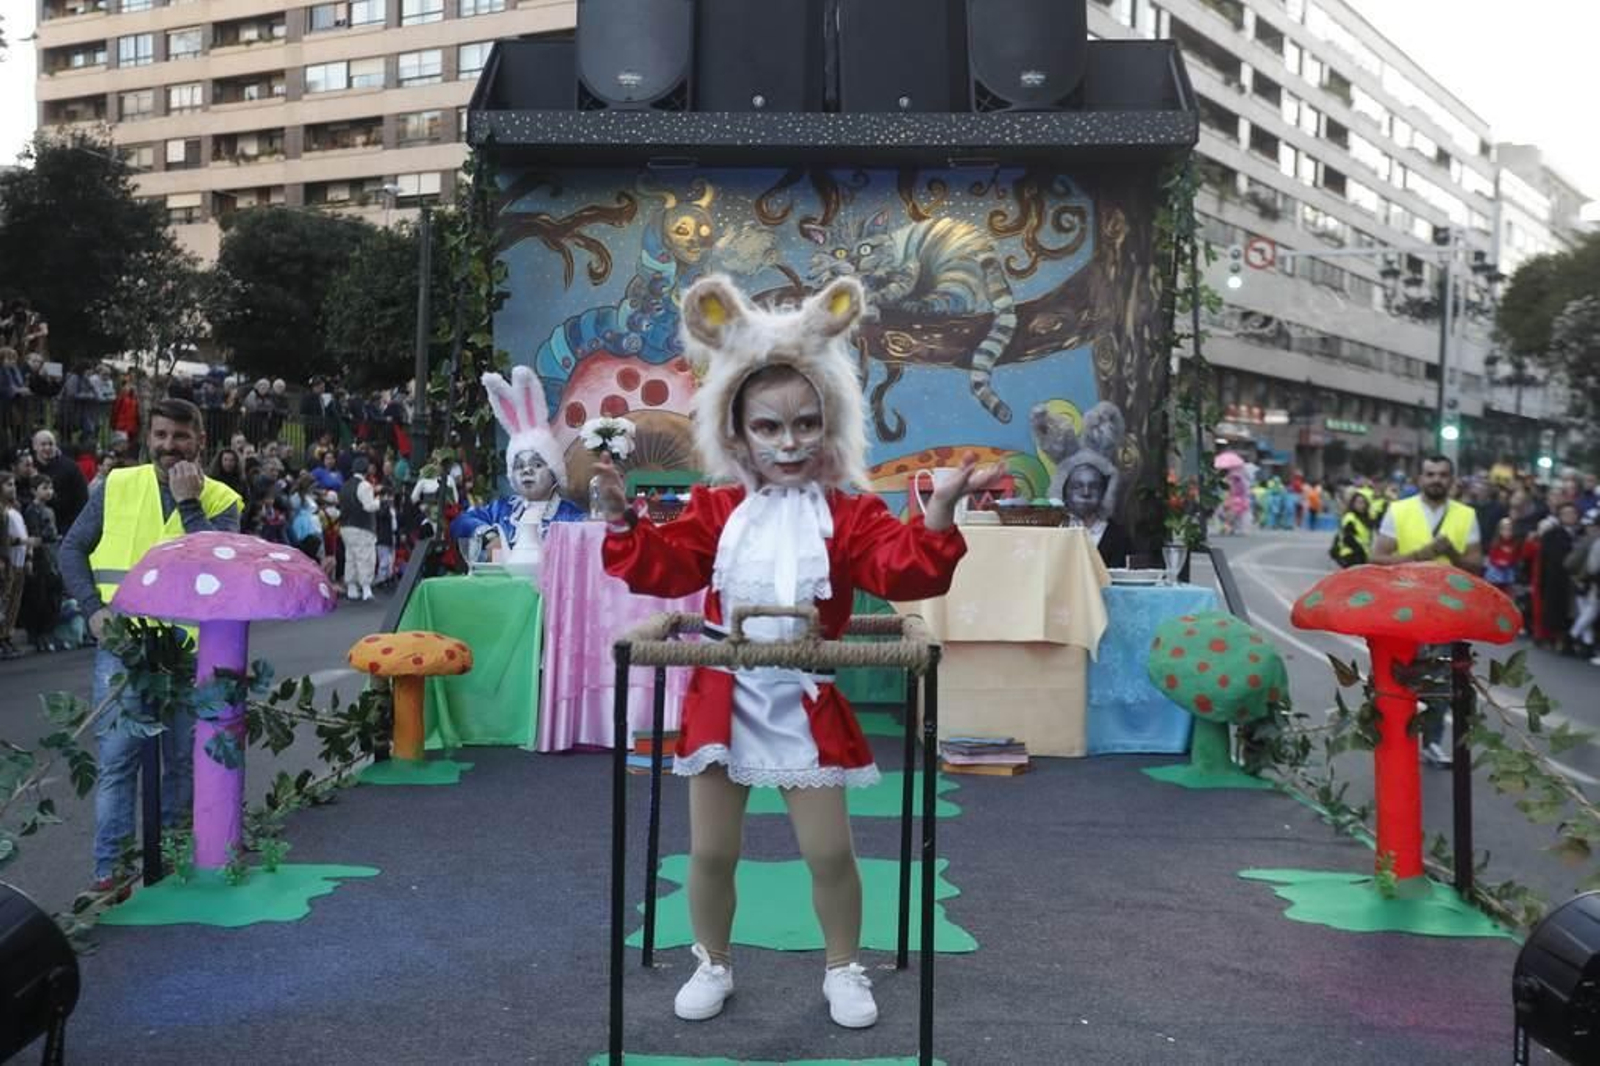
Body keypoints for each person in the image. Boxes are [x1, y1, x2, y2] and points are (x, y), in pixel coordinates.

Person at [596, 275, 999, 1030]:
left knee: (829, 855)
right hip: (722, 693)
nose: (789, 443)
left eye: (807, 425)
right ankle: (711, 961)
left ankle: (845, 969)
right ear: (737, 430)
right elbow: (666, 567)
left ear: (832, 424)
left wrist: (940, 517)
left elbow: (899, 568)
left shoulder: (849, 511)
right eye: (769, 428)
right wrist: (623, 525)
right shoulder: (717, 508)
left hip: (806, 698)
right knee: (710, 854)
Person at [58, 398, 243, 893]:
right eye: (160, 435)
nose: (168, 446)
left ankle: (172, 863)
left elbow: (216, 571)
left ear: (200, 442)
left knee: (181, 759)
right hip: (121, 644)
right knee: (119, 758)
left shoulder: (223, 500)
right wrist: (91, 607)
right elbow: (71, 549)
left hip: (188, 651)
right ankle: (110, 872)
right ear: (149, 436)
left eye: (180, 437)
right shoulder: (116, 485)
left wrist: (189, 504)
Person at [1371, 454, 1482, 768]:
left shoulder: (1466, 515)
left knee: (1442, 682)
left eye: (1443, 474)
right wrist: (1421, 555)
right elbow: (1378, 558)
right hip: (1405, 609)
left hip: (1447, 611)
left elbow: (1476, 565)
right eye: (1430, 474)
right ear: (1420, 478)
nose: (1437, 479)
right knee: (1401, 678)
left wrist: (1453, 554)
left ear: (1452, 479)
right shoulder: (1399, 510)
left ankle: (1431, 743)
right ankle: (1396, 740)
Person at [450, 366, 584, 566]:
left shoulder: (569, 516)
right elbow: (461, 523)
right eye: (519, 466)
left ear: (554, 472)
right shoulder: (502, 509)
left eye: (537, 464)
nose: (527, 471)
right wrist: (489, 536)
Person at [338, 457, 381, 600]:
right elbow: (368, 506)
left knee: (350, 556)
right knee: (365, 557)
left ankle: (351, 588)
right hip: (362, 526)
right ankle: (366, 588)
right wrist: (379, 501)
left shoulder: (345, 485)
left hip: (345, 526)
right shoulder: (365, 486)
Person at [1331, 490, 1375, 567]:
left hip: (1362, 554)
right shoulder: (1350, 517)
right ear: (1353, 503)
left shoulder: (1366, 519)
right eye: (1358, 502)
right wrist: (1360, 551)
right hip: (1351, 554)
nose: (1361, 505)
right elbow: (1348, 538)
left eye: (1363, 503)